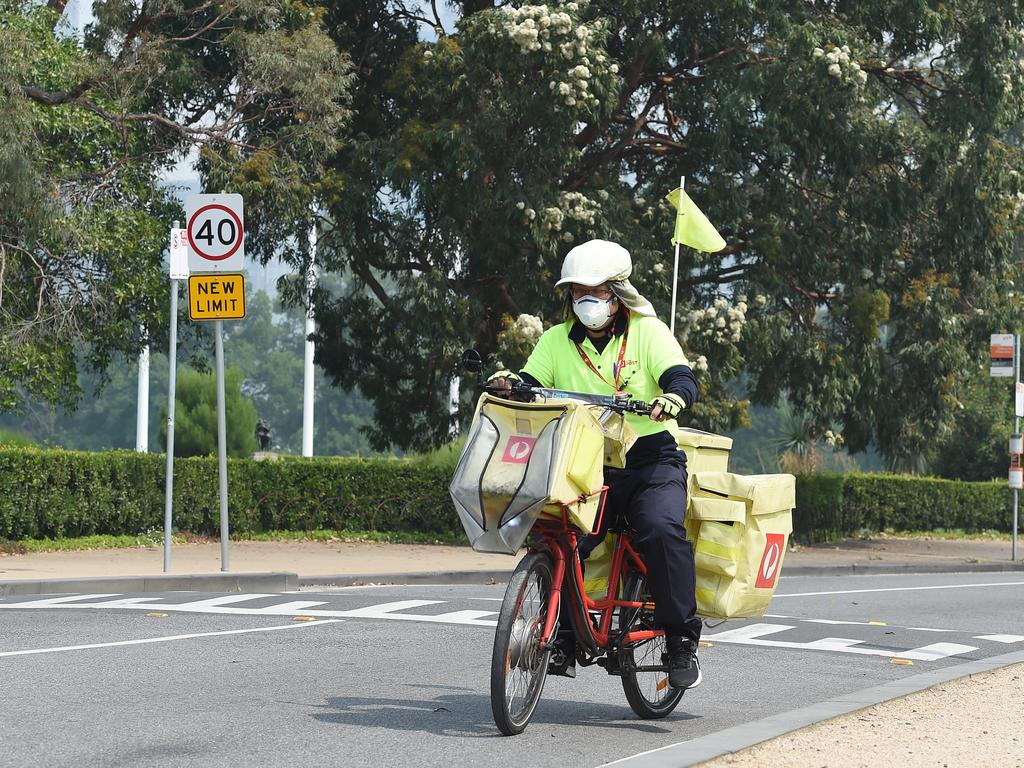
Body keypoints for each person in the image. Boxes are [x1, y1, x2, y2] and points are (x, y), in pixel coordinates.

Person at [486, 238, 702, 691]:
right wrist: (511, 385)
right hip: (585, 463)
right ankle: (562, 634)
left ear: (618, 294)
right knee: (559, 536)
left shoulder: (648, 331)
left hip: (650, 461)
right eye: (577, 291)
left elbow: (680, 376)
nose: (587, 300)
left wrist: (672, 398)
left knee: (661, 531)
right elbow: (531, 383)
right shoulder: (554, 341)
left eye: (597, 292)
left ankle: (682, 639)